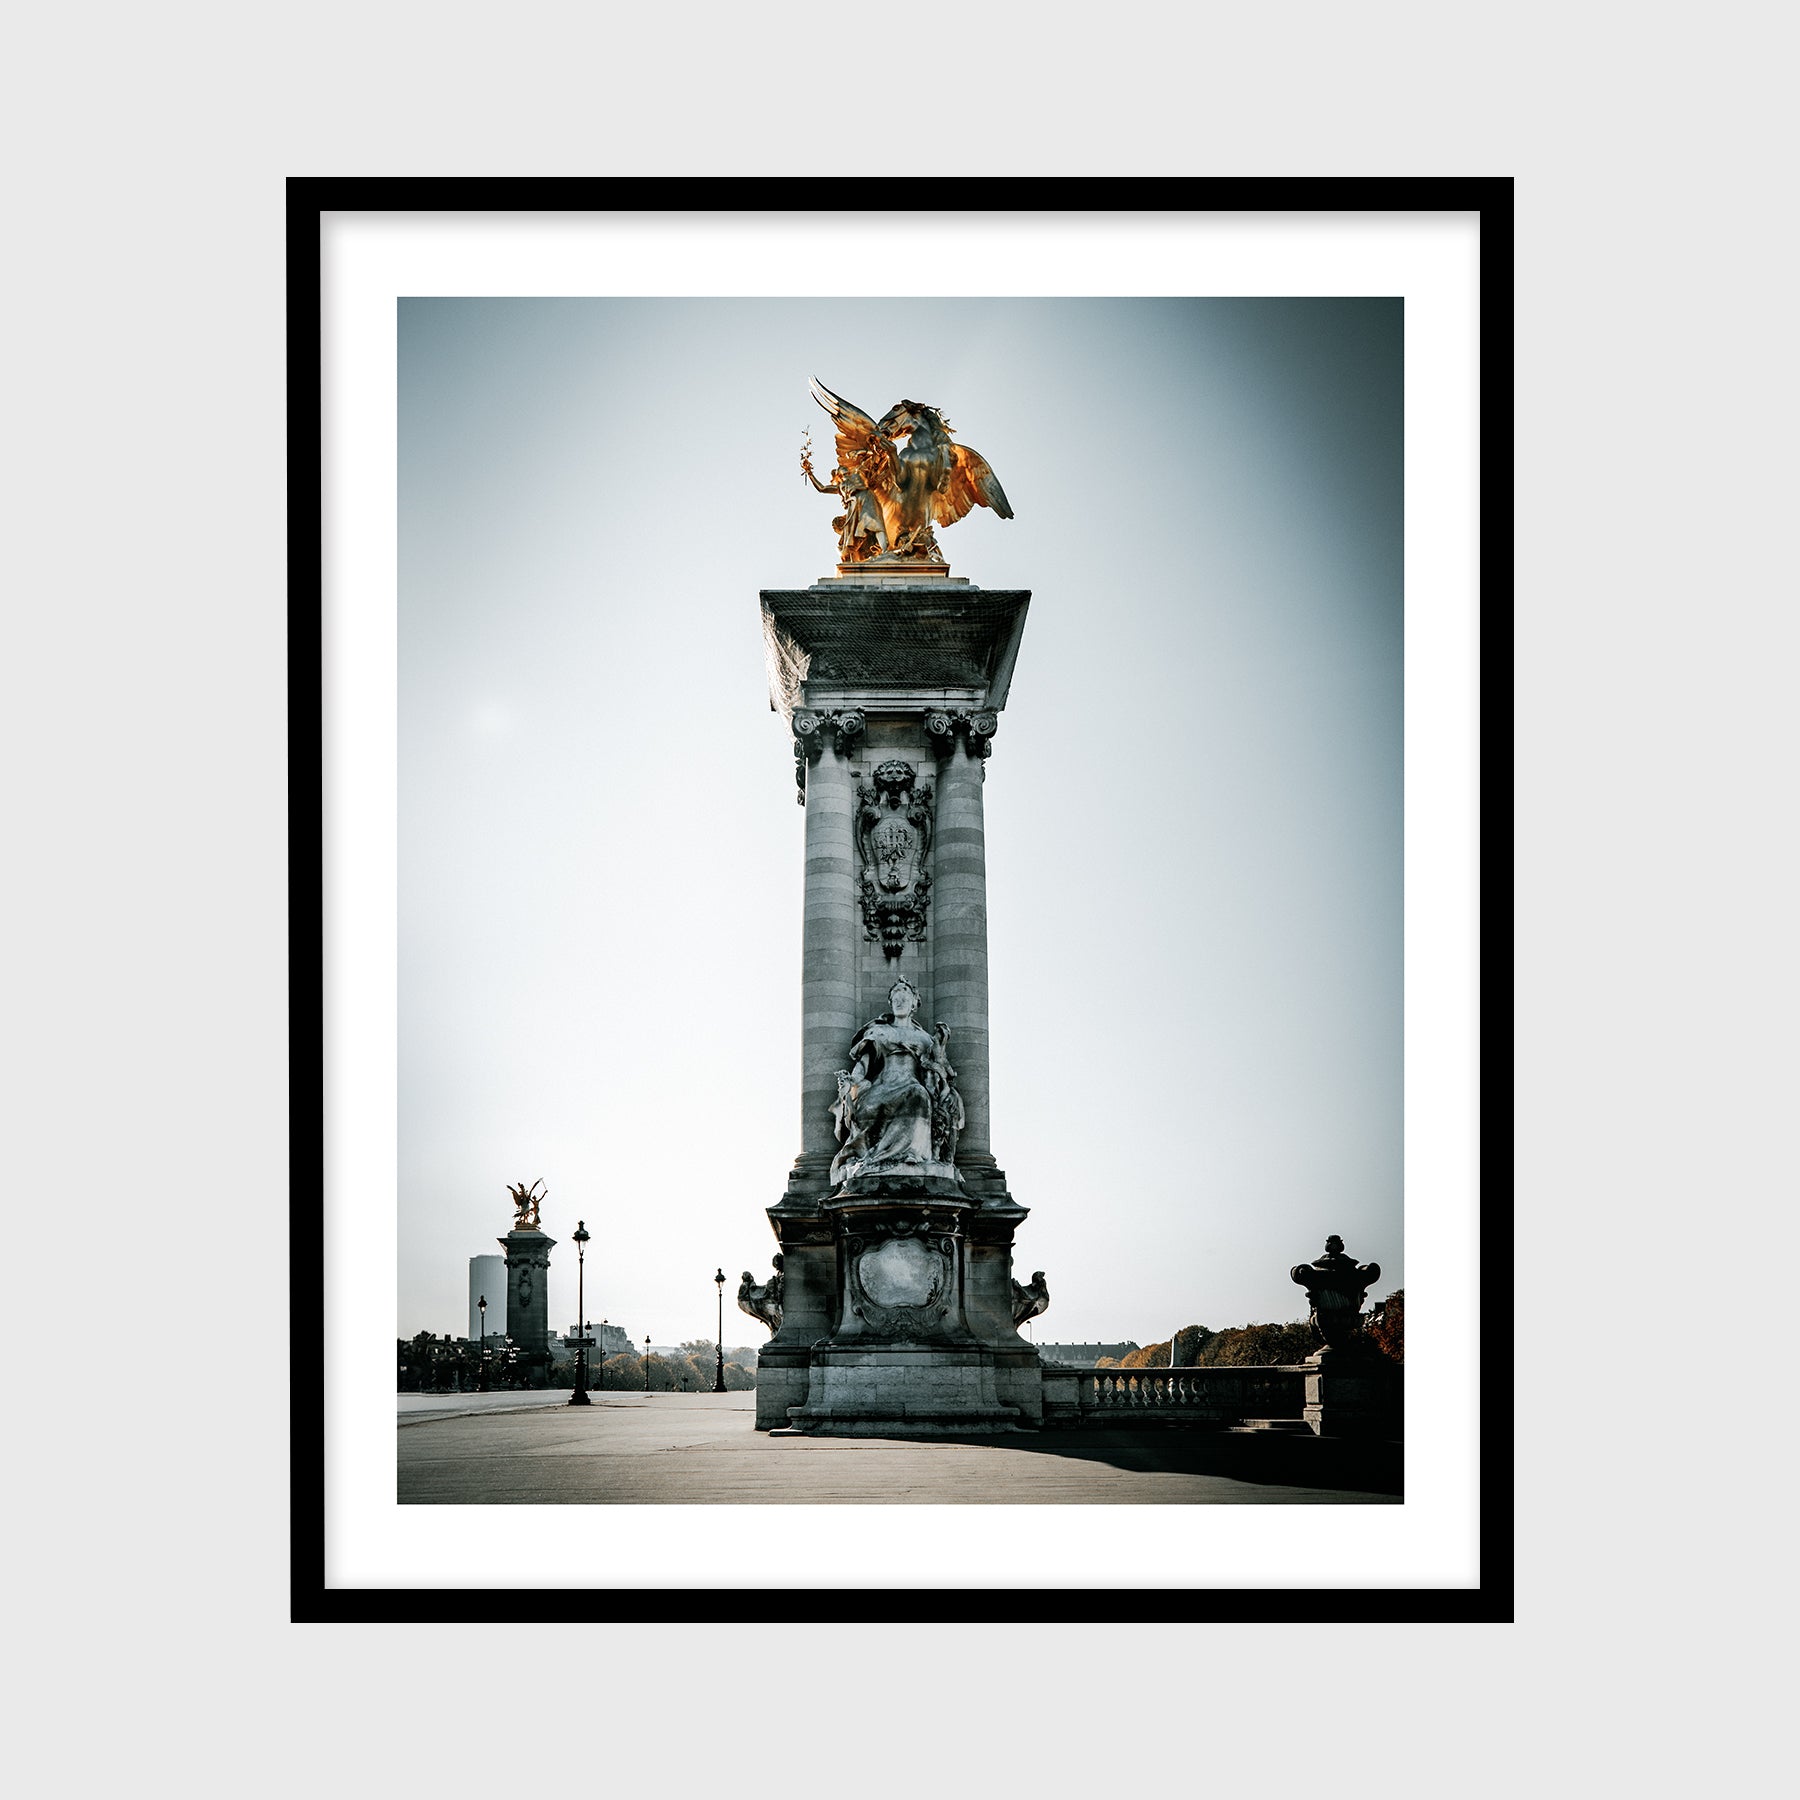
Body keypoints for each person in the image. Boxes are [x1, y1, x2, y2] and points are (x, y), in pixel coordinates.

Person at [831, 977, 961, 1182]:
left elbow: (938, 1072)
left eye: (905, 998)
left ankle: (913, 1154)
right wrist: (851, 1082)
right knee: (914, 1094)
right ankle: (883, 1157)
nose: (900, 1002)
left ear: (914, 1005)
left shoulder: (925, 1039)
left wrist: (941, 1050)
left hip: (912, 1087)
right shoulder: (879, 1031)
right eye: (896, 998)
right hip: (880, 1089)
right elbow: (863, 1066)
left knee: (918, 1094)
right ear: (890, 1003)